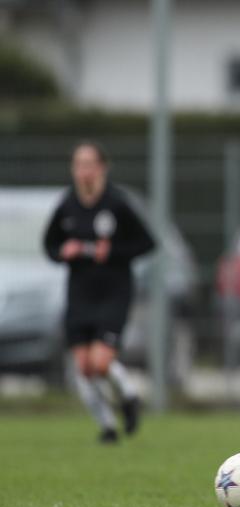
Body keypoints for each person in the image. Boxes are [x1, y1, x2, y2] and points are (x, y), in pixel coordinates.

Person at [43, 141, 155, 443]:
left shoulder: (117, 203)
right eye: (78, 164)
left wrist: (114, 252)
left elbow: (147, 243)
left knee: (101, 362)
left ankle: (129, 397)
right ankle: (107, 427)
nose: (84, 171)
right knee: (83, 366)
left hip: (114, 290)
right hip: (80, 292)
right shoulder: (66, 204)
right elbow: (50, 246)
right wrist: (63, 251)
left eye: (89, 163)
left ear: (102, 167)